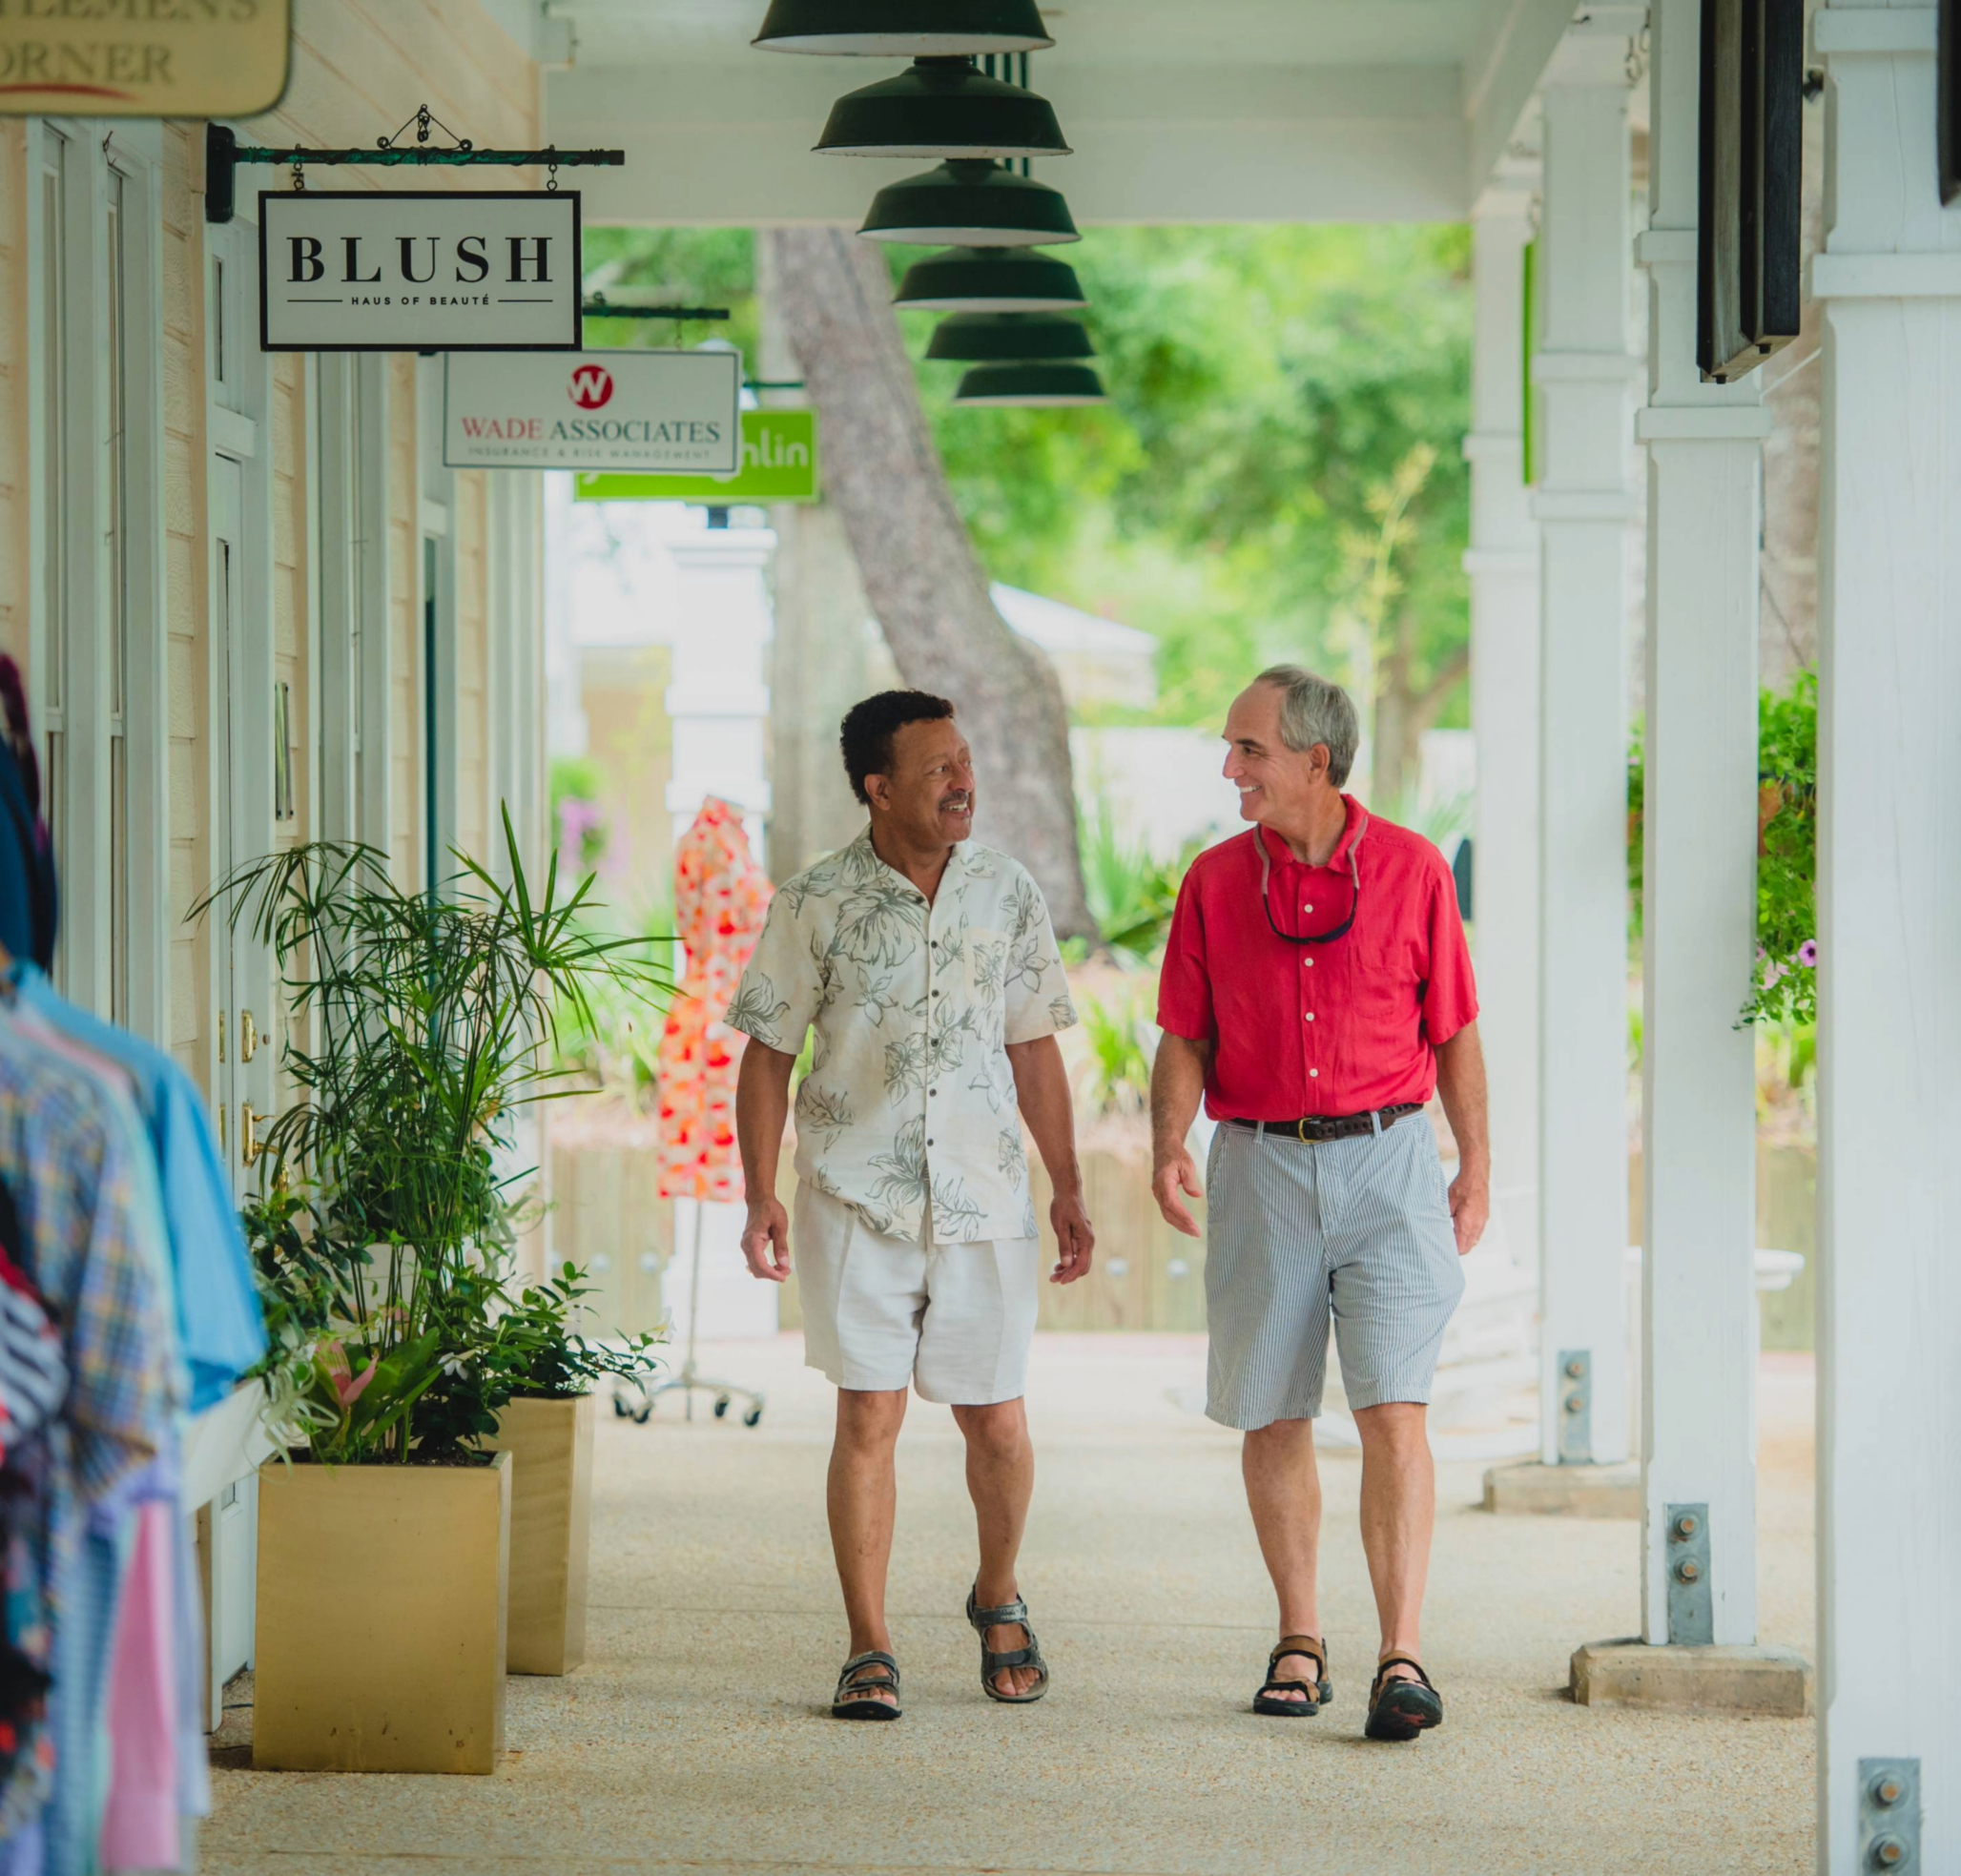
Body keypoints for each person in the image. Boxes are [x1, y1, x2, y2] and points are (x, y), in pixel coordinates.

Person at [729, 689, 1094, 1722]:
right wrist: (758, 1191)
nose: (961, 781)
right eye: (937, 769)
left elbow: (1035, 1044)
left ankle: (996, 1589)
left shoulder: (1007, 891)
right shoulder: (812, 902)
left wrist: (1066, 1183)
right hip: (854, 1192)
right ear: (878, 789)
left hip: (984, 1194)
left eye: (963, 761)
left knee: (999, 1423)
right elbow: (766, 1054)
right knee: (868, 1417)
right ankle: (868, 1642)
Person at [1149, 666, 1489, 1742]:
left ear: (1314, 759)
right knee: (1273, 1407)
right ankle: (1300, 1637)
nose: (1229, 767)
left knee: (1395, 1406)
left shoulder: (1412, 868)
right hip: (1257, 1161)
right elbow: (1183, 1033)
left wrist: (1473, 1160)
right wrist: (1168, 1140)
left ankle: (1403, 1652)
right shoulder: (1212, 881)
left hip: (1388, 1160)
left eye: (1248, 749)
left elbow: (1455, 1030)